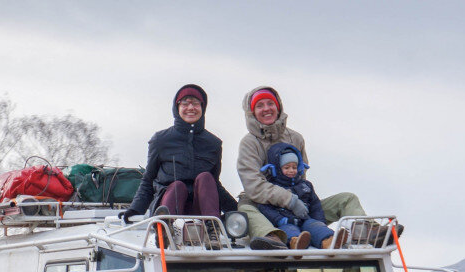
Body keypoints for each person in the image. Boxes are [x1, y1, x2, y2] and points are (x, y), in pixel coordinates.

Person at [235, 86, 402, 249]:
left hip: (299, 205)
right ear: (252, 112)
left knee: (347, 199)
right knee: (245, 209)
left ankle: (369, 233)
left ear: (278, 106)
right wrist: (290, 201)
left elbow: (300, 177)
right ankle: (273, 237)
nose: (266, 109)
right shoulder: (249, 144)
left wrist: (304, 205)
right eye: (260, 105)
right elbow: (254, 187)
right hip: (265, 208)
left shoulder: (295, 138)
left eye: (270, 104)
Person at [121, 84, 236, 221]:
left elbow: (214, 185)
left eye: (195, 103)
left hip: (200, 210)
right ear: (177, 107)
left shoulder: (213, 144)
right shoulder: (160, 140)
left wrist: (237, 210)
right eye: (185, 103)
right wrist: (135, 209)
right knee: (178, 186)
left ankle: (212, 229)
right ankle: (165, 229)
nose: (191, 108)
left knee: (206, 177)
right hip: (168, 204)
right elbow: (148, 180)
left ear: (202, 107)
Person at [255, 143, 337, 249]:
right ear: (277, 169)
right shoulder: (272, 187)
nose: (291, 170)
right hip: (286, 221)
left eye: (294, 167)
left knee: (316, 227)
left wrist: (320, 222)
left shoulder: (305, 185)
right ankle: (296, 242)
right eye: (286, 167)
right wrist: (280, 220)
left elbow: (315, 206)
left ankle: (329, 241)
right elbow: (265, 207)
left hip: (305, 219)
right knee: (289, 231)